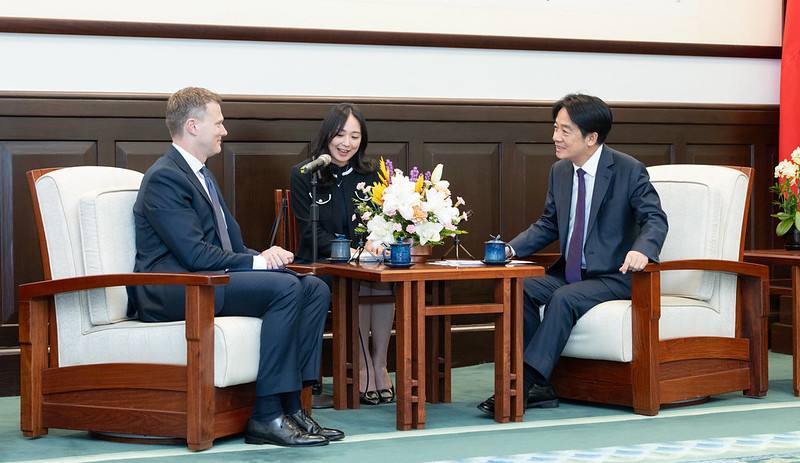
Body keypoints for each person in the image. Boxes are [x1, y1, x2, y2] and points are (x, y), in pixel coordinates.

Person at [127, 87, 343, 447]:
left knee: (314, 287)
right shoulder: (165, 178)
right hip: (174, 288)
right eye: (219, 123)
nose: (224, 131)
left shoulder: (201, 174)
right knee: (286, 288)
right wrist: (258, 262)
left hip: (206, 278)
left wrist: (266, 257)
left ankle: (292, 408)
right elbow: (196, 255)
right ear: (193, 126)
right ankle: (266, 415)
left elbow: (229, 246)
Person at [477, 94, 668, 416]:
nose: (555, 137)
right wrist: (510, 249)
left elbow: (655, 218)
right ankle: (539, 386)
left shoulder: (628, 170)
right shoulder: (560, 172)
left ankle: (522, 384)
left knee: (564, 298)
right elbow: (549, 224)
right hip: (570, 273)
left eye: (565, 131)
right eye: (555, 128)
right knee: (517, 286)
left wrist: (642, 249)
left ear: (591, 137)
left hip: (614, 276)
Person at [291, 103, 396, 405]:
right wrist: (351, 253)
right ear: (327, 135)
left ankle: (379, 365)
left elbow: (381, 219)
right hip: (320, 264)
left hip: (365, 260)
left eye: (354, 136)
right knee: (360, 280)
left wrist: (374, 243)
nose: (346, 143)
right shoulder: (304, 174)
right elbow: (310, 233)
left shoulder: (372, 173)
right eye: (340, 135)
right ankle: (361, 368)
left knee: (379, 279)